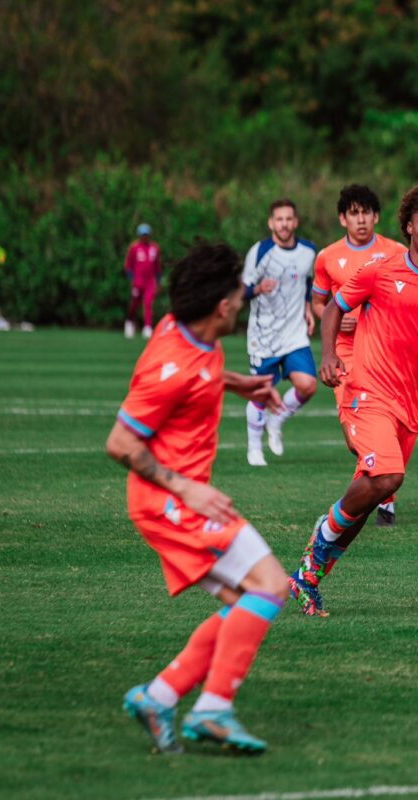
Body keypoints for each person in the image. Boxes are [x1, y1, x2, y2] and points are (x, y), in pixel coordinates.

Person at [107, 243, 288, 754]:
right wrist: (186, 486)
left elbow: (199, 374)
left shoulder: (195, 332)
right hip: (171, 503)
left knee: (242, 608)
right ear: (224, 308)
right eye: (239, 294)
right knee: (271, 585)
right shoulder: (170, 363)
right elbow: (120, 443)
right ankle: (212, 710)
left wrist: (239, 385)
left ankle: (158, 697)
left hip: (179, 501)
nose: (243, 300)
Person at [288, 183, 418, 617]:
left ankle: (308, 577)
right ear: (408, 226)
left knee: (372, 492)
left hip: (409, 407)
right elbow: (333, 307)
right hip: (365, 389)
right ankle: (321, 535)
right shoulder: (380, 270)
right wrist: (330, 354)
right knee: (388, 476)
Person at [311, 184, 407, 524]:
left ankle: (385, 501)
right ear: (342, 218)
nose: (361, 219)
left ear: (376, 216)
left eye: (367, 212)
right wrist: (337, 319)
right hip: (346, 353)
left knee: (385, 423)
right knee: (356, 436)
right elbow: (319, 303)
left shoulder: (395, 252)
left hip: (385, 351)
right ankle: (370, 486)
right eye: (354, 213)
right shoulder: (327, 257)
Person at [241, 200, 319, 466]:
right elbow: (241, 290)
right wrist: (257, 289)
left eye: (289, 219)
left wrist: (308, 307)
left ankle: (277, 420)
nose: (284, 224)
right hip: (264, 337)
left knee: (308, 385)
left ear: (295, 222)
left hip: (295, 334)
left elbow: (309, 281)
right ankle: (254, 448)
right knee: (261, 393)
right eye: (279, 219)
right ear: (271, 223)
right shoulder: (260, 252)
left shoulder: (309, 251)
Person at [124, 223, 161, 339]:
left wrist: (158, 282)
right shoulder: (134, 248)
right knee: (134, 304)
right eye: (142, 235)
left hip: (150, 282)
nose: (145, 237)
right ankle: (129, 322)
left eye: (146, 235)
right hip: (138, 281)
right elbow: (128, 266)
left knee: (148, 303)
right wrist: (131, 279)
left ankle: (148, 327)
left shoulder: (154, 248)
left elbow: (157, 267)